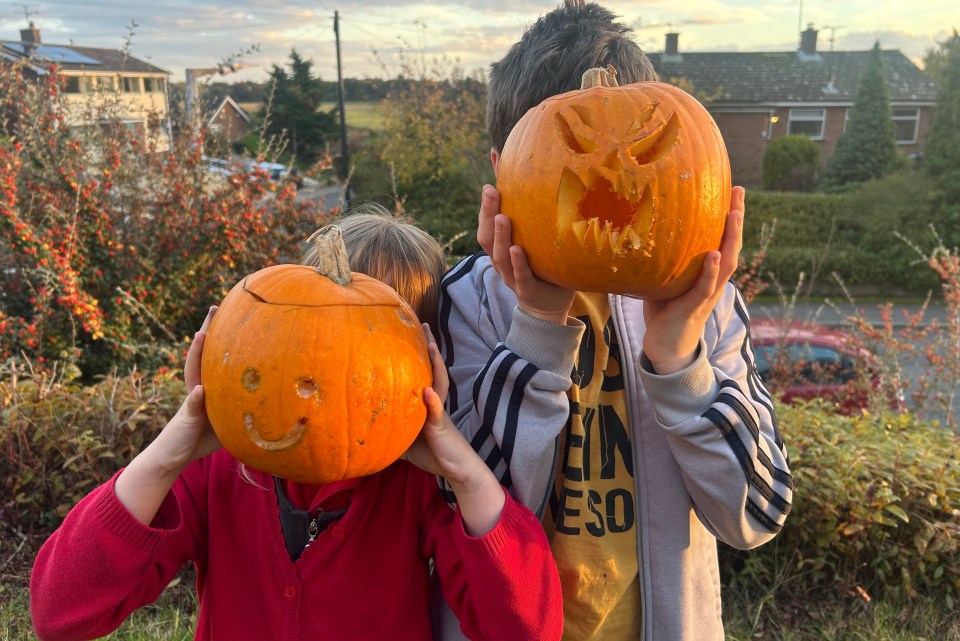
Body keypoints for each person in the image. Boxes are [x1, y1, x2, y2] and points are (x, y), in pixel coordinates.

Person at [30, 204, 563, 641]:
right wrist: (172, 448)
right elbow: (61, 612)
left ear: (425, 357)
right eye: (319, 336)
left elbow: (525, 630)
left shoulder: (422, 485)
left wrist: (465, 472)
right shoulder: (217, 470)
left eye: (373, 350)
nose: (334, 372)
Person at [434, 2, 793, 640]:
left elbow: (755, 514)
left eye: (645, 150)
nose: (611, 173)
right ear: (503, 171)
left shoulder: (706, 308)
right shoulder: (465, 302)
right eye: (562, 148)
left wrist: (680, 357)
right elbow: (464, 503)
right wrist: (538, 326)